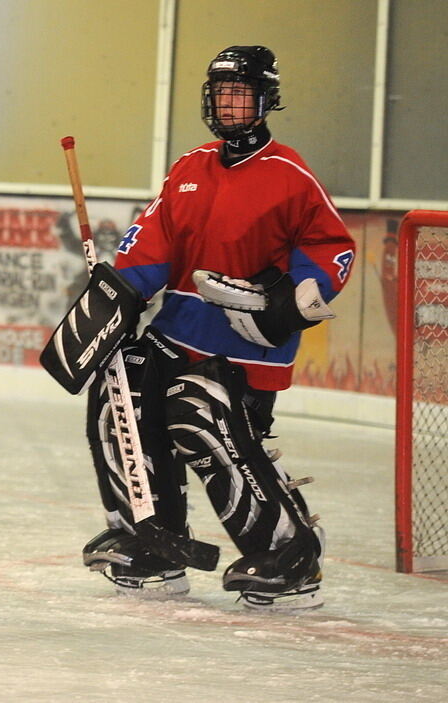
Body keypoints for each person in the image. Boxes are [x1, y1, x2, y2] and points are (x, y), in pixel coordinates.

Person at [79, 46, 356, 610]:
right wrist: (118, 298)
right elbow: (151, 243)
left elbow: (333, 247)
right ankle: (153, 544)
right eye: (222, 94)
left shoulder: (290, 175)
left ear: (266, 99)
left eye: (242, 94)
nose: (230, 106)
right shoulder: (190, 166)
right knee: (119, 395)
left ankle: (286, 551)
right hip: (177, 329)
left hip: (245, 346)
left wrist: (301, 293)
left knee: (195, 415)